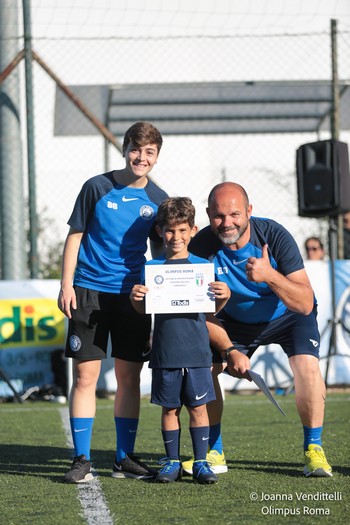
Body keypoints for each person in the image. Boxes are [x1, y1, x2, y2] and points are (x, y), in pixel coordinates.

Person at [182, 181, 332, 478]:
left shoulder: (274, 235)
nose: (227, 223)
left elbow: (303, 303)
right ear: (209, 214)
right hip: (233, 323)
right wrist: (229, 349)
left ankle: (314, 450)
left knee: (307, 367)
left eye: (235, 214)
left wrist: (269, 275)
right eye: (219, 216)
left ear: (249, 211)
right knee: (202, 367)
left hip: (287, 315)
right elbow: (199, 312)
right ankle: (214, 451)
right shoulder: (200, 246)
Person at [58, 121, 168, 483]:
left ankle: (124, 459)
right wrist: (67, 285)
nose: (141, 157)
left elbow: (161, 254)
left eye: (149, 152)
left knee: (129, 378)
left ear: (157, 156)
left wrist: (157, 297)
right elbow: (75, 236)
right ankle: (81, 458)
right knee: (85, 377)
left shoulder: (158, 199)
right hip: (88, 291)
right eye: (136, 149)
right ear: (124, 149)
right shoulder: (97, 187)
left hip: (133, 297)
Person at [130, 197, 231, 484]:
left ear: (193, 230)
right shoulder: (152, 268)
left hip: (198, 351)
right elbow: (143, 309)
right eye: (170, 230)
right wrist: (136, 299)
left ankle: (200, 463)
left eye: (183, 230)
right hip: (165, 351)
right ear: (161, 231)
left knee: (199, 408)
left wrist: (224, 297)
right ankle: (171, 462)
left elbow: (211, 310)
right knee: (170, 408)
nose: (177, 237)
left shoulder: (202, 266)